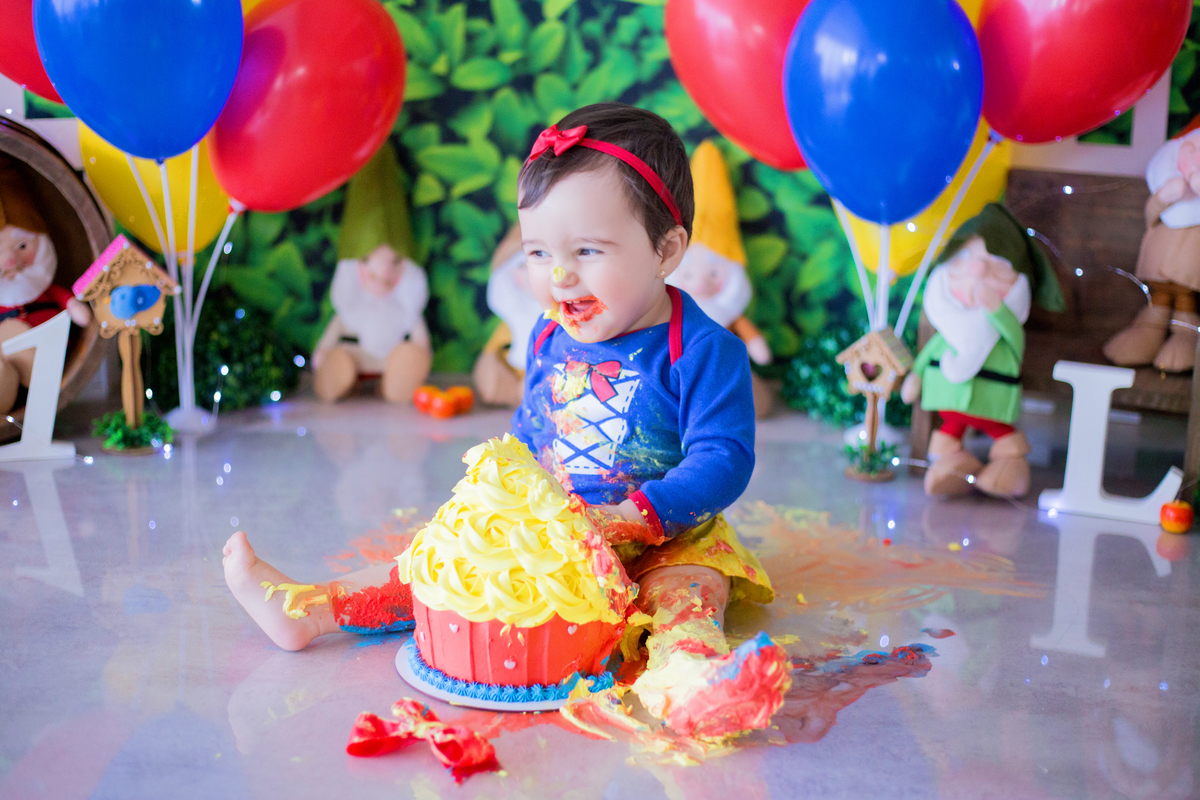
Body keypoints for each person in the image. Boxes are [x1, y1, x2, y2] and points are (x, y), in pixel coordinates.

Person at [223, 103, 789, 738]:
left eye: (587, 250)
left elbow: (723, 458)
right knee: (436, 565)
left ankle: (693, 683)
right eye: (540, 252)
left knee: (686, 594)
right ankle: (311, 608)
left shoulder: (704, 350)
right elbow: (533, 428)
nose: (560, 274)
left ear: (666, 250)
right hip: (554, 533)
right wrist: (502, 503)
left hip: (668, 535)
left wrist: (640, 517)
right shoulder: (550, 332)